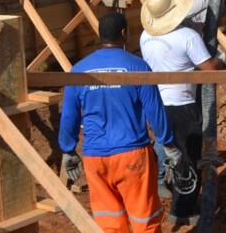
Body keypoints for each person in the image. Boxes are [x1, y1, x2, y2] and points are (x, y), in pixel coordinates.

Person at [59, 12, 181, 233]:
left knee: (109, 223)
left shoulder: (78, 70)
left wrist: (68, 150)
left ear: (99, 35)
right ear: (124, 33)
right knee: (145, 220)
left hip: (95, 158)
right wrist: (169, 145)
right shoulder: (137, 66)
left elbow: (69, 115)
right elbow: (155, 110)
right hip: (132, 155)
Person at [140, 0, 225, 226]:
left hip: (157, 104)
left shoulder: (146, 35)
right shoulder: (187, 37)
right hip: (183, 106)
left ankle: (163, 189)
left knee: (171, 150)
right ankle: (183, 210)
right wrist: (220, 60)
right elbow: (208, 68)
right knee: (189, 158)